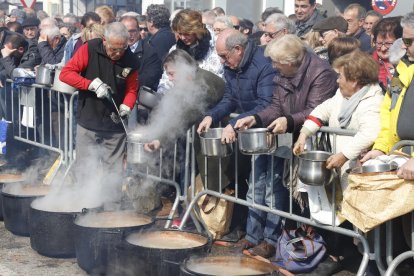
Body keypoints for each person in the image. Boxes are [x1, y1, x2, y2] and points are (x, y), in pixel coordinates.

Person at [233, 34, 337, 258]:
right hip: (284, 135)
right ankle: (253, 235)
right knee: (257, 185)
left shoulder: (321, 73)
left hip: (306, 141)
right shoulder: (284, 72)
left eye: (276, 63)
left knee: (275, 190)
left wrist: (288, 121)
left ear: (290, 62)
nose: (272, 67)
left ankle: (272, 239)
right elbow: (276, 105)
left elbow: (316, 110)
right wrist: (256, 118)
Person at [197, 29, 276, 257]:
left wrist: (236, 122)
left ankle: (269, 239)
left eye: (224, 56)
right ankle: (251, 235)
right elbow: (230, 98)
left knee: (267, 187)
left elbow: (266, 103)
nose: (222, 61)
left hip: (267, 132)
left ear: (238, 50)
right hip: (246, 132)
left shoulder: (263, 65)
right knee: (250, 187)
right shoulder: (232, 65)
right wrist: (212, 115)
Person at [59, 22, 139, 189]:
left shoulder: (131, 60)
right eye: (113, 49)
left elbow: (132, 89)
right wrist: (90, 85)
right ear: (105, 40)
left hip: (114, 125)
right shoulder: (89, 49)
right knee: (85, 169)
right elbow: (66, 74)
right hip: (88, 120)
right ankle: (84, 206)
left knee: (114, 172)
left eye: (122, 49)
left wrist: (127, 106)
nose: (117, 53)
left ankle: (112, 208)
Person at [293, 49, 383, 182]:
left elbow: (369, 134)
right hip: (341, 164)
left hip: (358, 169)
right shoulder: (341, 95)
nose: (337, 81)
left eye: (340, 76)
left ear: (354, 81)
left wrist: (344, 155)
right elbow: (322, 110)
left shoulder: (373, 102)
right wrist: (303, 135)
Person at [361, 12, 414, 166]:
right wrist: (381, 148)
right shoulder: (403, 67)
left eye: (409, 41)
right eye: (403, 40)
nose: (404, 46)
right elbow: (389, 112)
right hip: (401, 155)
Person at [157, 9, 223, 94]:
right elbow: (167, 79)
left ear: (196, 30)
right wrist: (161, 98)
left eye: (186, 33)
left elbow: (220, 79)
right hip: (183, 100)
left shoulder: (216, 46)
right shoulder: (175, 50)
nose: (183, 37)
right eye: (180, 34)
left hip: (212, 99)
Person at [120, 15, 162, 91]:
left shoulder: (150, 52)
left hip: (138, 96)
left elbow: (148, 79)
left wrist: (122, 83)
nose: (129, 34)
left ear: (138, 31)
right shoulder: (114, 49)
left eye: (132, 31)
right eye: (125, 31)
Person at [371, 17, 403, 90]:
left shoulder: (408, 64)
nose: (383, 48)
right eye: (379, 43)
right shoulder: (366, 64)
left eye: (388, 44)